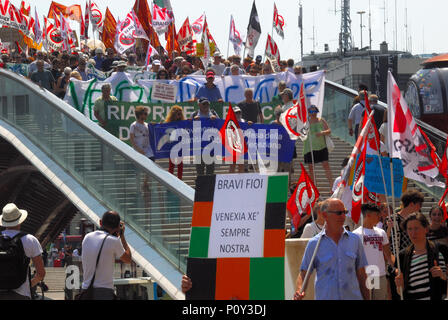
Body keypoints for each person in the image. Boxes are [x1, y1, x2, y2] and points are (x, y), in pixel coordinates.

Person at [294, 199, 370, 300]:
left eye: (345, 212)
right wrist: (300, 290)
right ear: (325, 215)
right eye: (339, 213)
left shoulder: (355, 240)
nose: (343, 216)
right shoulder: (314, 243)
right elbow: (304, 273)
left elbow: (362, 275)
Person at [394, 213, 448, 300]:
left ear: (426, 229)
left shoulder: (441, 249)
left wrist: (442, 275)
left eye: (416, 228)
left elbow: (445, 280)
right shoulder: (402, 256)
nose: (413, 233)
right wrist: (399, 286)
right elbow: (400, 292)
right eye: (409, 229)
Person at [81, 211, 132, 300]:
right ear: (117, 227)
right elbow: (128, 259)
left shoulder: (87, 237)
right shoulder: (113, 241)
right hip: (104, 291)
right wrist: (122, 236)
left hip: (86, 290)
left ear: (100, 222)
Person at [0, 203, 46, 300]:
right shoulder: (30, 240)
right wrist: (29, 285)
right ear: (20, 221)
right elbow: (41, 273)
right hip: (21, 294)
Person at [386, 189, 424, 300]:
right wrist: (393, 265)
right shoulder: (392, 219)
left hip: (413, 262)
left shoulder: (416, 220)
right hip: (396, 265)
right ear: (412, 204)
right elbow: (385, 243)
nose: (420, 207)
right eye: (419, 204)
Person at [353, 203, 394, 300]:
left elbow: (388, 253)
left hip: (380, 274)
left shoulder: (381, 232)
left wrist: (395, 267)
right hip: (364, 276)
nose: (380, 217)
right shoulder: (356, 235)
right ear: (368, 215)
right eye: (377, 215)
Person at [302, 105, 333, 187]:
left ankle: (331, 186)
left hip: (321, 146)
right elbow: (301, 133)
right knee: (311, 168)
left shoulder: (321, 120)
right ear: (308, 113)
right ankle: (314, 187)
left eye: (315, 111)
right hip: (309, 148)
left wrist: (322, 133)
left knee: (326, 165)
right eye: (311, 112)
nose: (313, 113)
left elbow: (329, 130)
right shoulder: (306, 123)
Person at [190, 98, 219, 176]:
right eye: (204, 104)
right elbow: (188, 129)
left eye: (207, 104)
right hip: (198, 147)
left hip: (211, 147)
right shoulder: (194, 114)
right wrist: (193, 121)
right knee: (200, 172)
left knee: (210, 171)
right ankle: (200, 188)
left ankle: (209, 188)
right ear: (199, 105)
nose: (206, 106)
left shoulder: (213, 113)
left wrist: (215, 120)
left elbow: (220, 127)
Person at [165, 105, 185, 179]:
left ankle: (180, 180)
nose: (180, 115)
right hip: (171, 146)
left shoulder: (183, 122)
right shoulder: (168, 123)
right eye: (178, 114)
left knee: (180, 164)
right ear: (173, 114)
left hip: (180, 145)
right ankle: (170, 181)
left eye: (180, 114)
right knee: (171, 165)